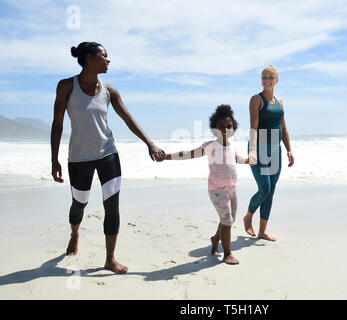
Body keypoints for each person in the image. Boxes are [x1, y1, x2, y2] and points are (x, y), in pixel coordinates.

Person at [50, 41, 165, 274]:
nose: (108, 60)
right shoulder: (66, 86)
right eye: (104, 56)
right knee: (79, 204)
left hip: (108, 154)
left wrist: (150, 144)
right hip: (79, 157)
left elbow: (128, 119)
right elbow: (57, 123)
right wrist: (54, 159)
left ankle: (110, 259)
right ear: (90, 58)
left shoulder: (110, 90)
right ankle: (75, 233)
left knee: (112, 208)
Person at [163, 105, 248, 265]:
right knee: (227, 220)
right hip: (216, 190)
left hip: (232, 187)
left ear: (234, 128)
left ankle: (215, 239)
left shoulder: (232, 146)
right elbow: (188, 154)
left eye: (228, 126)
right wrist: (167, 156)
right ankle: (227, 253)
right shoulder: (210, 146)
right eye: (221, 126)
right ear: (214, 128)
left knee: (230, 218)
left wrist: (249, 161)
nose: (224, 130)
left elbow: (236, 159)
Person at [243, 65, 295, 241]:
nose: (266, 80)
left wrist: (289, 150)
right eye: (264, 77)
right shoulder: (256, 100)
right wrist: (252, 151)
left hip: (275, 149)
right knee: (264, 188)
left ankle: (262, 231)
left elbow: (284, 128)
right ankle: (248, 216)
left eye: (270, 78)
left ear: (277, 80)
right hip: (259, 148)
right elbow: (253, 127)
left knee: (271, 190)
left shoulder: (280, 102)